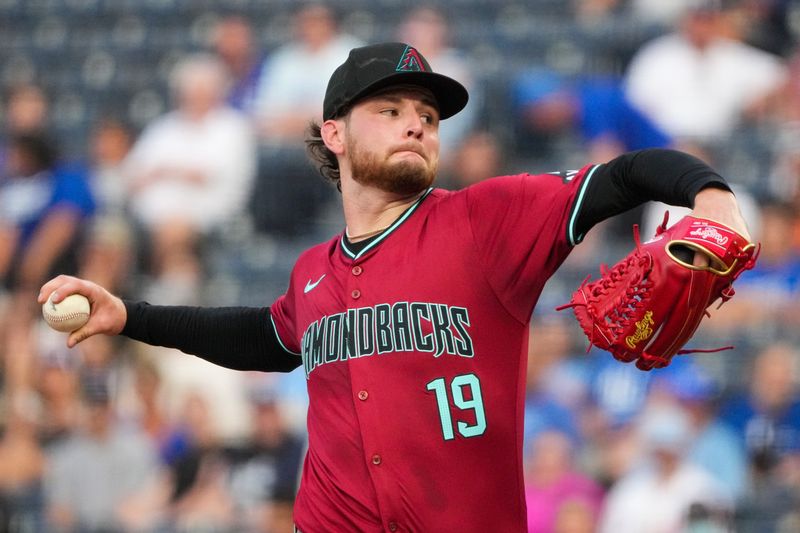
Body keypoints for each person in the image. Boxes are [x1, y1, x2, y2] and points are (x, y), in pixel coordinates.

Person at [38, 42, 753, 531]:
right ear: (335, 134)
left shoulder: (485, 221)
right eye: (392, 109)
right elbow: (265, 335)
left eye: (430, 116)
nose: (418, 121)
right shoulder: (311, 269)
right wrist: (131, 313)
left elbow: (623, 176)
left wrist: (709, 192)